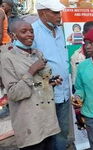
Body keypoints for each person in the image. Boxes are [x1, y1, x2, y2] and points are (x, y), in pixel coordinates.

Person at [1, 20, 62, 150]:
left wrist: (51, 82)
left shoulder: (37, 54)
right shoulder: (6, 58)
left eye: (31, 31)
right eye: (24, 32)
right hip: (30, 125)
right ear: (13, 36)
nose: (30, 35)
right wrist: (31, 70)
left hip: (48, 121)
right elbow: (14, 93)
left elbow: (40, 84)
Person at [32, 0, 71, 149]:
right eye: (55, 12)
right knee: (47, 133)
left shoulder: (60, 30)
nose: (59, 16)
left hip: (64, 91)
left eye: (59, 12)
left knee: (63, 131)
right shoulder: (32, 32)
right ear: (43, 13)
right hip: (45, 93)